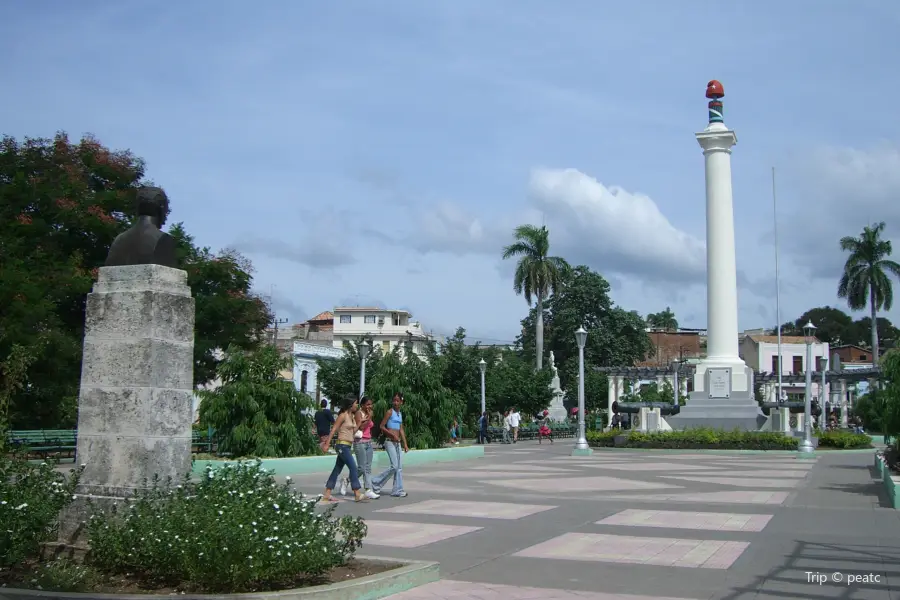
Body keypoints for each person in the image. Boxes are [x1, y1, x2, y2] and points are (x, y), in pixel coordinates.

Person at [321, 395, 369, 503]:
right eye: (356, 403)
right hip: (342, 445)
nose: (357, 405)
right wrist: (327, 444)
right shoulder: (342, 416)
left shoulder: (351, 416)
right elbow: (333, 430)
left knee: (337, 469)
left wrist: (360, 422)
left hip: (347, 445)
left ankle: (327, 493)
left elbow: (353, 431)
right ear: (350, 404)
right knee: (353, 467)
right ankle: (357, 493)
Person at [372, 393, 408, 498]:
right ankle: (375, 482)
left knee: (399, 467)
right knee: (394, 466)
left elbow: (401, 429)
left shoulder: (399, 414)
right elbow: (382, 426)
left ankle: (397, 490)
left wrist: (405, 444)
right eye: (394, 400)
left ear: (401, 402)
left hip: (398, 443)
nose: (395, 403)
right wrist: (392, 435)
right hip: (389, 441)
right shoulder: (390, 412)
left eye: (398, 401)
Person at [348, 396, 379, 499]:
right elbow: (360, 427)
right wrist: (369, 417)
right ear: (362, 405)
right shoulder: (358, 413)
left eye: (371, 404)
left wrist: (369, 416)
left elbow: (370, 427)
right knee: (361, 467)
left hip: (368, 442)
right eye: (367, 404)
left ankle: (368, 489)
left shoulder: (368, 413)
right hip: (360, 442)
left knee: (368, 468)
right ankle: (348, 480)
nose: (370, 406)